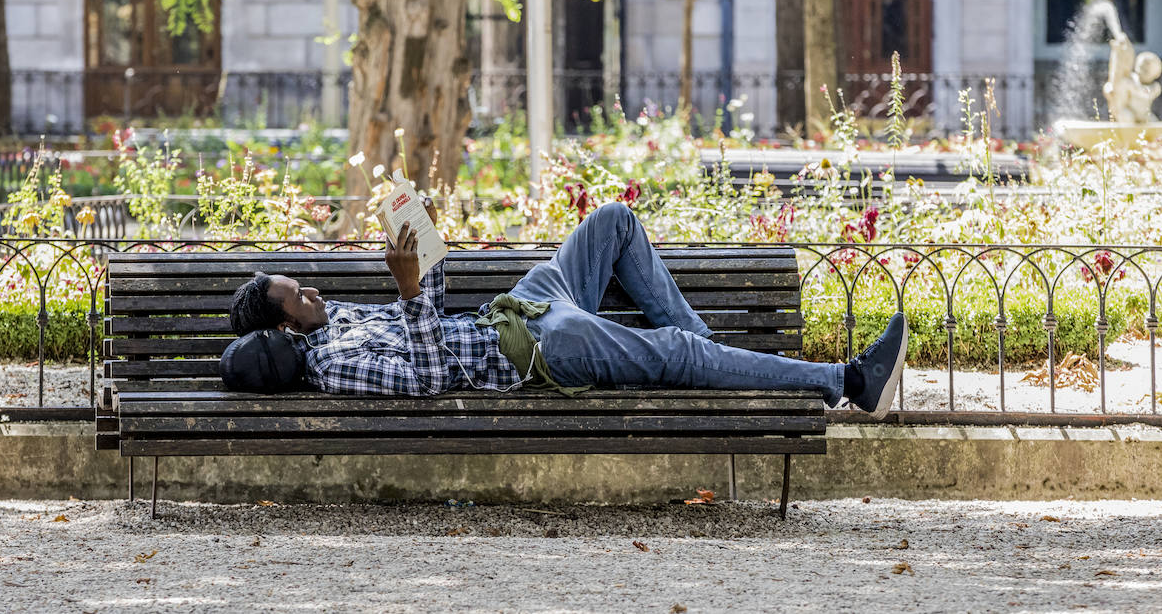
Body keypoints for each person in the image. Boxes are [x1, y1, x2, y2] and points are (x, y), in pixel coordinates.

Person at [229, 201, 907, 419]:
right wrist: (410, 292)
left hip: (520, 307)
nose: (315, 292)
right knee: (682, 356)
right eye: (301, 296)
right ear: (285, 326)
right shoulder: (335, 368)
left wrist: (423, 251)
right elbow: (432, 380)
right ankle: (847, 382)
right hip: (535, 349)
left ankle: (701, 356)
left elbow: (429, 317)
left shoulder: (338, 321)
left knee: (612, 221)